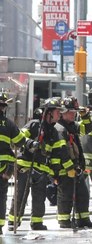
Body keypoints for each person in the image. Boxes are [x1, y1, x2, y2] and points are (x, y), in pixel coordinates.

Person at [8, 97, 73, 231]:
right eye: (56, 112)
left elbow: (56, 155)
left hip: (41, 170)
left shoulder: (54, 132)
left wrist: (55, 173)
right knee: (20, 195)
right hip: (25, 167)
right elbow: (19, 138)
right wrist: (31, 144)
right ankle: (13, 221)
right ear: (48, 112)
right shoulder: (34, 125)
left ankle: (37, 222)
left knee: (39, 198)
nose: (59, 114)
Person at [56, 96, 92, 228]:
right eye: (71, 112)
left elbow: (88, 129)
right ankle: (64, 220)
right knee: (66, 195)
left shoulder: (72, 126)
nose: (73, 115)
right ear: (63, 112)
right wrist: (68, 168)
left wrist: (85, 116)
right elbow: (62, 151)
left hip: (75, 167)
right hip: (64, 168)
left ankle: (83, 220)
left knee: (82, 194)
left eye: (75, 112)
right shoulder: (59, 128)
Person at [0, 91, 26, 234]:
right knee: (1, 198)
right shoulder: (8, 124)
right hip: (3, 169)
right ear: (3, 107)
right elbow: (20, 141)